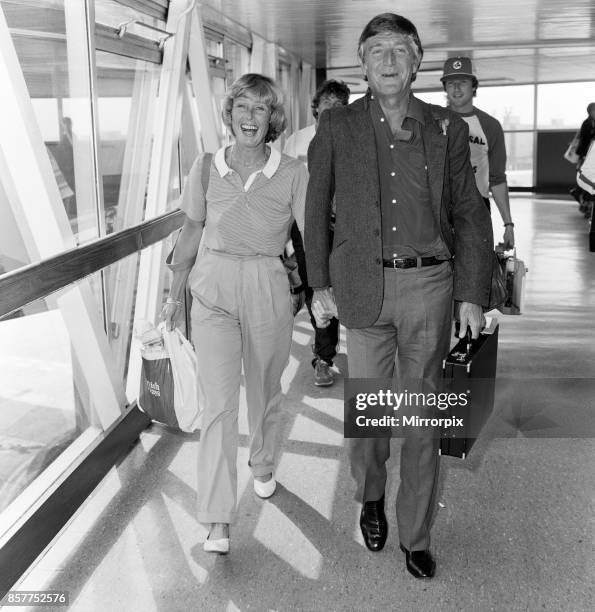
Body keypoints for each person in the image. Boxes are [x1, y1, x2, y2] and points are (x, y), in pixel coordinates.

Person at [305, 13, 492, 579]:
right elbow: (316, 211)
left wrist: (471, 293)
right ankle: (369, 496)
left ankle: (415, 533)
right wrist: (317, 285)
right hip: (363, 286)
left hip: (430, 288)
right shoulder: (337, 128)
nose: (388, 59)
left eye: (399, 50)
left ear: (416, 63)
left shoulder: (445, 129)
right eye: (377, 50)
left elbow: (468, 213)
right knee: (368, 414)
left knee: (420, 415)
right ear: (362, 63)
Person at [162, 73, 308, 555]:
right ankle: (217, 517)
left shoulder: (293, 172)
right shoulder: (205, 167)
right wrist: (173, 288)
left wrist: (323, 289)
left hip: (267, 284)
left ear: (273, 120)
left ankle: (263, 462)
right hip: (212, 289)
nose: (250, 117)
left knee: (266, 390)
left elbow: (311, 237)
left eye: (260, 109)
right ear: (230, 114)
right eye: (242, 107)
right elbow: (191, 230)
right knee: (219, 405)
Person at [284, 79, 351, 386]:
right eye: (327, 109)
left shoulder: (355, 139)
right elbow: (285, 188)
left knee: (345, 286)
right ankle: (324, 355)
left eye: (339, 108)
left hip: (344, 227)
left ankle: (354, 349)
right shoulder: (297, 142)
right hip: (306, 228)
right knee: (316, 288)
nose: (332, 115)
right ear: (315, 110)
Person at [440, 57, 515, 249]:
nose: (456, 88)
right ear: (445, 88)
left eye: (462, 82)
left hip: (476, 206)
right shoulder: (433, 121)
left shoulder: (490, 126)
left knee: (475, 270)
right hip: (439, 205)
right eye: (450, 83)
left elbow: (497, 179)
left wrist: (508, 224)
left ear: (473, 87)